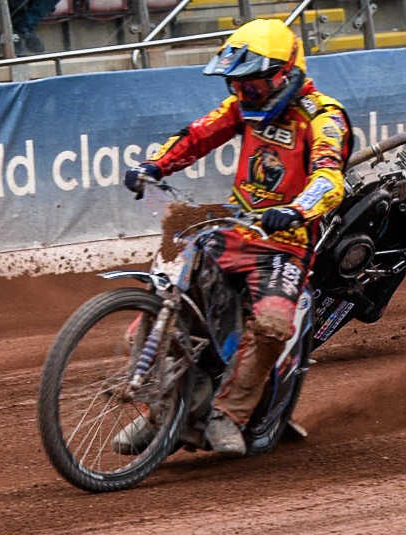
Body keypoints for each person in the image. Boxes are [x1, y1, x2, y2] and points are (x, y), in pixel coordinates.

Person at [114, 19, 351, 457]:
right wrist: (154, 165)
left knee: (273, 324)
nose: (244, 94)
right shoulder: (242, 107)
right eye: (237, 85)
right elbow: (197, 135)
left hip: (284, 244)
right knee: (165, 304)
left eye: (253, 84)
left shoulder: (323, 116)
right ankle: (161, 414)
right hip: (232, 231)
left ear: (284, 74)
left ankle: (229, 414)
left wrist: (295, 210)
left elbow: (328, 177)